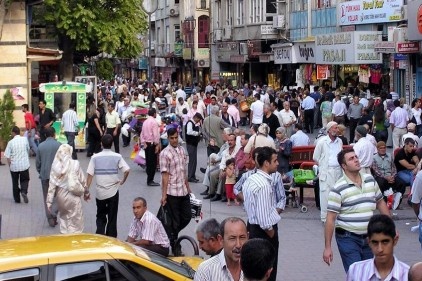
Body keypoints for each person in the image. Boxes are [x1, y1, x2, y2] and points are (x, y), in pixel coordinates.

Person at [323, 148, 389, 272]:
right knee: (357, 274)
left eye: (356, 157)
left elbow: (380, 202)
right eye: (351, 159)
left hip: (370, 238)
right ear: (344, 166)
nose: (356, 160)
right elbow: (330, 218)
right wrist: (328, 247)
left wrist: (391, 228)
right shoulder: (338, 188)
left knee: (370, 274)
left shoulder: (369, 179)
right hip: (348, 238)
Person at [242, 147, 281, 281]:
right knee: (268, 270)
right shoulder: (263, 185)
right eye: (275, 161)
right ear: (266, 163)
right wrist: (271, 233)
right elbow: (264, 219)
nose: (278, 163)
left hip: (252, 228)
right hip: (263, 232)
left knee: (255, 270)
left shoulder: (251, 179)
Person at [85, 134, 130, 237]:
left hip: (100, 192)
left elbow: (90, 175)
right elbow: (127, 170)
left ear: (101, 143)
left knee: (100, 216)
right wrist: (123, 180)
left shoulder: (95, 157)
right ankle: (111, 238)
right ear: (112, 144)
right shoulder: (117, 156)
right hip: (113, 192)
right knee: (112, 217)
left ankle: (100, 236)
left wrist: (86, 191)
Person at [346, 214, 409, 281]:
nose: (380, 249)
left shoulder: (407, 275)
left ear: (395, 240)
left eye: (385, 242)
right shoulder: (355, 271)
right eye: (375, 242)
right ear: (369, 242)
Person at [159, 127, 192, 256]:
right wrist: (164, 195)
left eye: (176, 137)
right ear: (168, 138)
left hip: (183, 191)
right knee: (175, 220)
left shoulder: (182, 150)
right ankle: (174, 244)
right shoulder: (165, 154)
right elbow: (165, 176)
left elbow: (184, 171)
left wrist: (188, 189)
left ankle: (172, 235)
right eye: (171, 138)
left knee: (187, 216)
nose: (174, 140)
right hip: (172, 192)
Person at [47, 144, 86, 234]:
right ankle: (74, 240)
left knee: (64, 219)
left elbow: (51, 186)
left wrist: (49, 202)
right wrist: (86, 192)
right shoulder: (74, 163)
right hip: (73, 195)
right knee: (76, 221)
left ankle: (65, 237)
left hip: (61, 197)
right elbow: (82, 180)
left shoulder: (55, 166)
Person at [194, 217, 248, 281]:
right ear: (221, 240)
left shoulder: (255, 265)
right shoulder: (205, 271)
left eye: (242, 238)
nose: (238, 245)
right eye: (232, 238)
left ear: (248, 237)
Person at [313, 121, 343, 223]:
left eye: (337, 128)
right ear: (329, 130)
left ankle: (337, 217)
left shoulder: (339, 141)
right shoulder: (322, 142)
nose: (337, 130)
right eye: (335, 128)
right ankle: (325, 218)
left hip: (338, 171)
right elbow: (316, 157)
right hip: (327, 171)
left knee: (338, 194)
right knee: (325, 194)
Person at [36, 127, 61, 227]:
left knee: (47, 197)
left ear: (45, 135)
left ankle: (50, 217)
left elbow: (38, 163)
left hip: (45, 175)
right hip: (57, 176)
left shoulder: (40, 146)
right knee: (58, 197)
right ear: (54, 134)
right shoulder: (59, 145)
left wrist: (41, 171)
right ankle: (54, 213)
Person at [372, 141, 407, 210]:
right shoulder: (374, 158)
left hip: (390, 176)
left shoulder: (390, 156)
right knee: (381, 183)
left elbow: (394, 168)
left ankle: (397, 203)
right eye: (381, 148)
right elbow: (376, 171)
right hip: (381, 177)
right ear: (378, 149)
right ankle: (383, 202)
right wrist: (386, 178)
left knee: (402, 183)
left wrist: (392, 177)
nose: (383, 149)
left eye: (384, 148)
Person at [4, 126, 30, 204]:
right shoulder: (25, 140)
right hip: (24, 165)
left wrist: (10, 165)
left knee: (15, 182)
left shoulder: (10, 142)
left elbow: (7, 156)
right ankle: (24, 191)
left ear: (13, 133)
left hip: (14, 166)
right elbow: (28, 149)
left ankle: (17, 199)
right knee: (25, 179)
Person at [140, 108, 160, 186]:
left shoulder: (145, 122)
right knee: (153, 163)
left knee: (148, 162)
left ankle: (149, 178)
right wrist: (157, 144)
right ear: (154, 114)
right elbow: (156, 135)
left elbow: (142, 134)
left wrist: (143, 142)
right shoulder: (154, 122)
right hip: (152, 144)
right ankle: (150, 180)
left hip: (146, 144)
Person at [186, 112, 203, 183]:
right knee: (192, 161)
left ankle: (192, 175)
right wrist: (197, 134)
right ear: (195, 117)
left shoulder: (194, 124)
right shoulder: (190, 123)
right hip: (191, 144)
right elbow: (189, 132)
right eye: (198, 120)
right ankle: (190, 176)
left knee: (194, 161)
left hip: (193, 144)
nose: (198, 121)